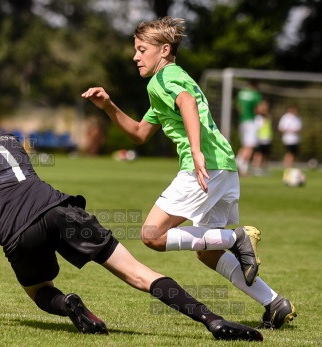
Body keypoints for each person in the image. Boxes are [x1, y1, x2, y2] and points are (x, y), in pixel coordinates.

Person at [0, 95, 263, 341]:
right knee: (138, 273)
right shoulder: (7, 138)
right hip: (59, 208)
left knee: (39, 291)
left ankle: (69, 303)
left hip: (19, 233)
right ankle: (212, 320)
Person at [81, 17, 296, 329]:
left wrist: (195, 151)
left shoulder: (165, 79)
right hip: (223, 166)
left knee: (151, 235)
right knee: (208, 253)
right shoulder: (171, 81)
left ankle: (237, 238)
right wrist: (109, 106)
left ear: (164, 50)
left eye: (142, 50)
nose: (135, 57)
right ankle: (274, 303)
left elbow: (187, 104)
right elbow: (140, 133)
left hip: (204, 166)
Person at [235, 80, 263, 176]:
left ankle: (237, 162)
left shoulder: (241, 93)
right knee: (249, 146)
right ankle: (243, 168)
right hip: (251, 121)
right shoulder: (255, 94)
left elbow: (239, 108)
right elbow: (259, 109)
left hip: (242, 121)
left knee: (244, 146)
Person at [251, 100, 273, 176]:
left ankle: (263, 168)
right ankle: (256, 168)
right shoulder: (258, 118)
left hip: (267, 139)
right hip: (260, 139)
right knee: (258, 154)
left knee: (265, 155)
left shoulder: (267, 117)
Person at [278, 105, 302, 169]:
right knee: (289, 153)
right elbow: (281, 128)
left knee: (293, 154)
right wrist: (289, 130)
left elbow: (299, 128)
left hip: (295, 139)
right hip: (288, 139)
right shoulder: (285, 117)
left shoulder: (297, 118)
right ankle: (287, 166)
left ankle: (291, 166)